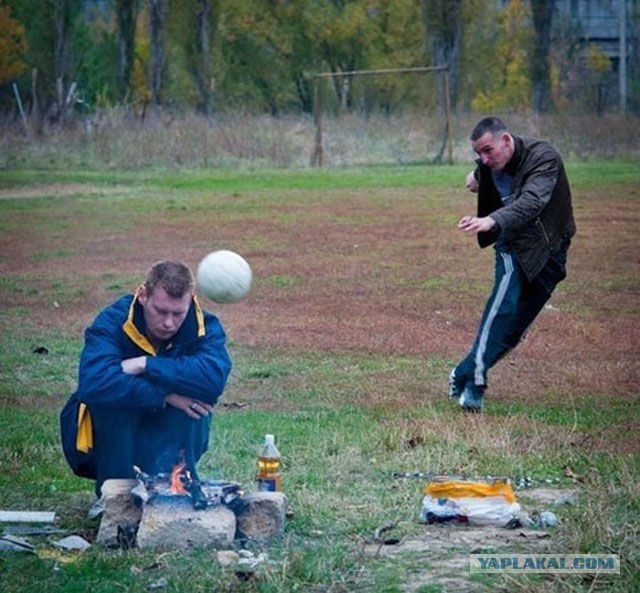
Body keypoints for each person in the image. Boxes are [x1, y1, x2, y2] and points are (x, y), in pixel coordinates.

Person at [60, 259, 232, 497]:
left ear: (190, 301)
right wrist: (164, 395)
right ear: (143, 295)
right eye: (160, 311)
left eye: (178, 313)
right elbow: (93, 383)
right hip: (103, 444)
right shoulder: (112, 321)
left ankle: (177, 492)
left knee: (194, 400)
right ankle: (116, 500)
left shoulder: (205, 325)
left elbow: (213, 380)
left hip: (167, 435)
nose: (169, 322)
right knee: (112, 400)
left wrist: (146, 364)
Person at [450, 116, 576, 411]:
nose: (484, 158)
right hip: (511, 244)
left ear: (506, 140)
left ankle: (463, 371)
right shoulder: (490, 163)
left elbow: (533, 200)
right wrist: (476, 176)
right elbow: (478, 176)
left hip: (550, 251)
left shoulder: (544, 158)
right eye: (478, 154)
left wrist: (491, 218)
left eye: (488, 150)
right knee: (503, 306)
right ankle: (476, 385)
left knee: (514, 329)